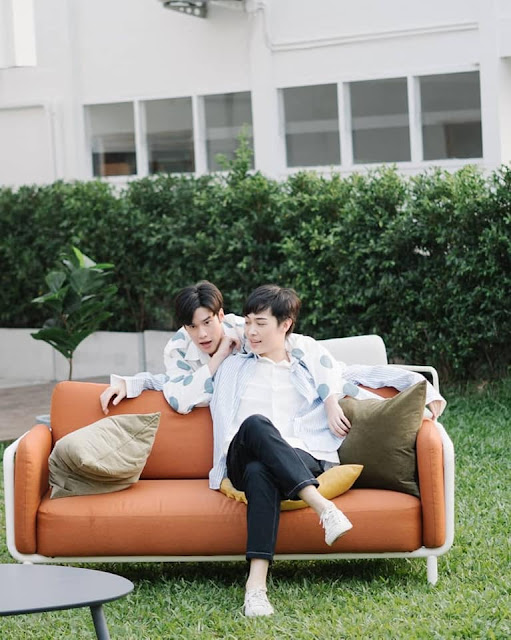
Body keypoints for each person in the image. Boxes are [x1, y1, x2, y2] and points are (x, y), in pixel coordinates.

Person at [208, 285, 355, 617]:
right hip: (241, 452)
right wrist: (132, 384)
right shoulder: (233, 365)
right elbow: (178, 383)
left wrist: (424, 393)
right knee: (256, 424)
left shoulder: (306, 367)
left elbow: (356, 376)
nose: (251, 332)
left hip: (298, 456)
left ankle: (255, 589)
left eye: (260, 323)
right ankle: (323, 507)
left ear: (285, 325)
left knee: (262, 471)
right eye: (248, 322)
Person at [100, 281, 446, 419]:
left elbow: (296, 347)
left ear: (221, 315)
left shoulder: (243, 327)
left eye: (207, 322)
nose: (201, 334)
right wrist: (218, 358)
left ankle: (416, 398)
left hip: (295, 365)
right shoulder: (178, 346)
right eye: (192, 327)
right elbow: (179, 395)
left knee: (342, 376)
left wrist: (329, 398)